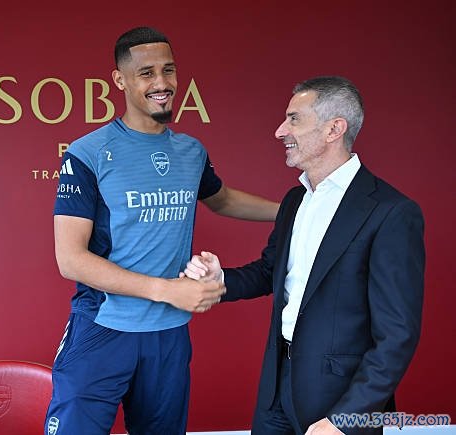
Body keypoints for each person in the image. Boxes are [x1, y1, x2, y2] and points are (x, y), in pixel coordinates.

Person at [44, 26, 279, 435]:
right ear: (120, 80)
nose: (162, 83)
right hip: (103, 328)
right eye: (146, 73)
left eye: (168, 70)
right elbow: (71, 259)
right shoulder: (87, 153)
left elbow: (222, 200)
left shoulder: (191, 151)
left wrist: (294, 210)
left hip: (167, 334)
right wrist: (167, 290)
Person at [184, 76, 425, 435]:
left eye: (294, 119)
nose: (280, 131)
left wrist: (345, 419)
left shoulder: (391, 212)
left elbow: (397, 336)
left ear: (334, 129)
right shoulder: (295, 200)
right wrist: (222, 279)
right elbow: (270, 271)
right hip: (275, 391)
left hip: (340, 402)